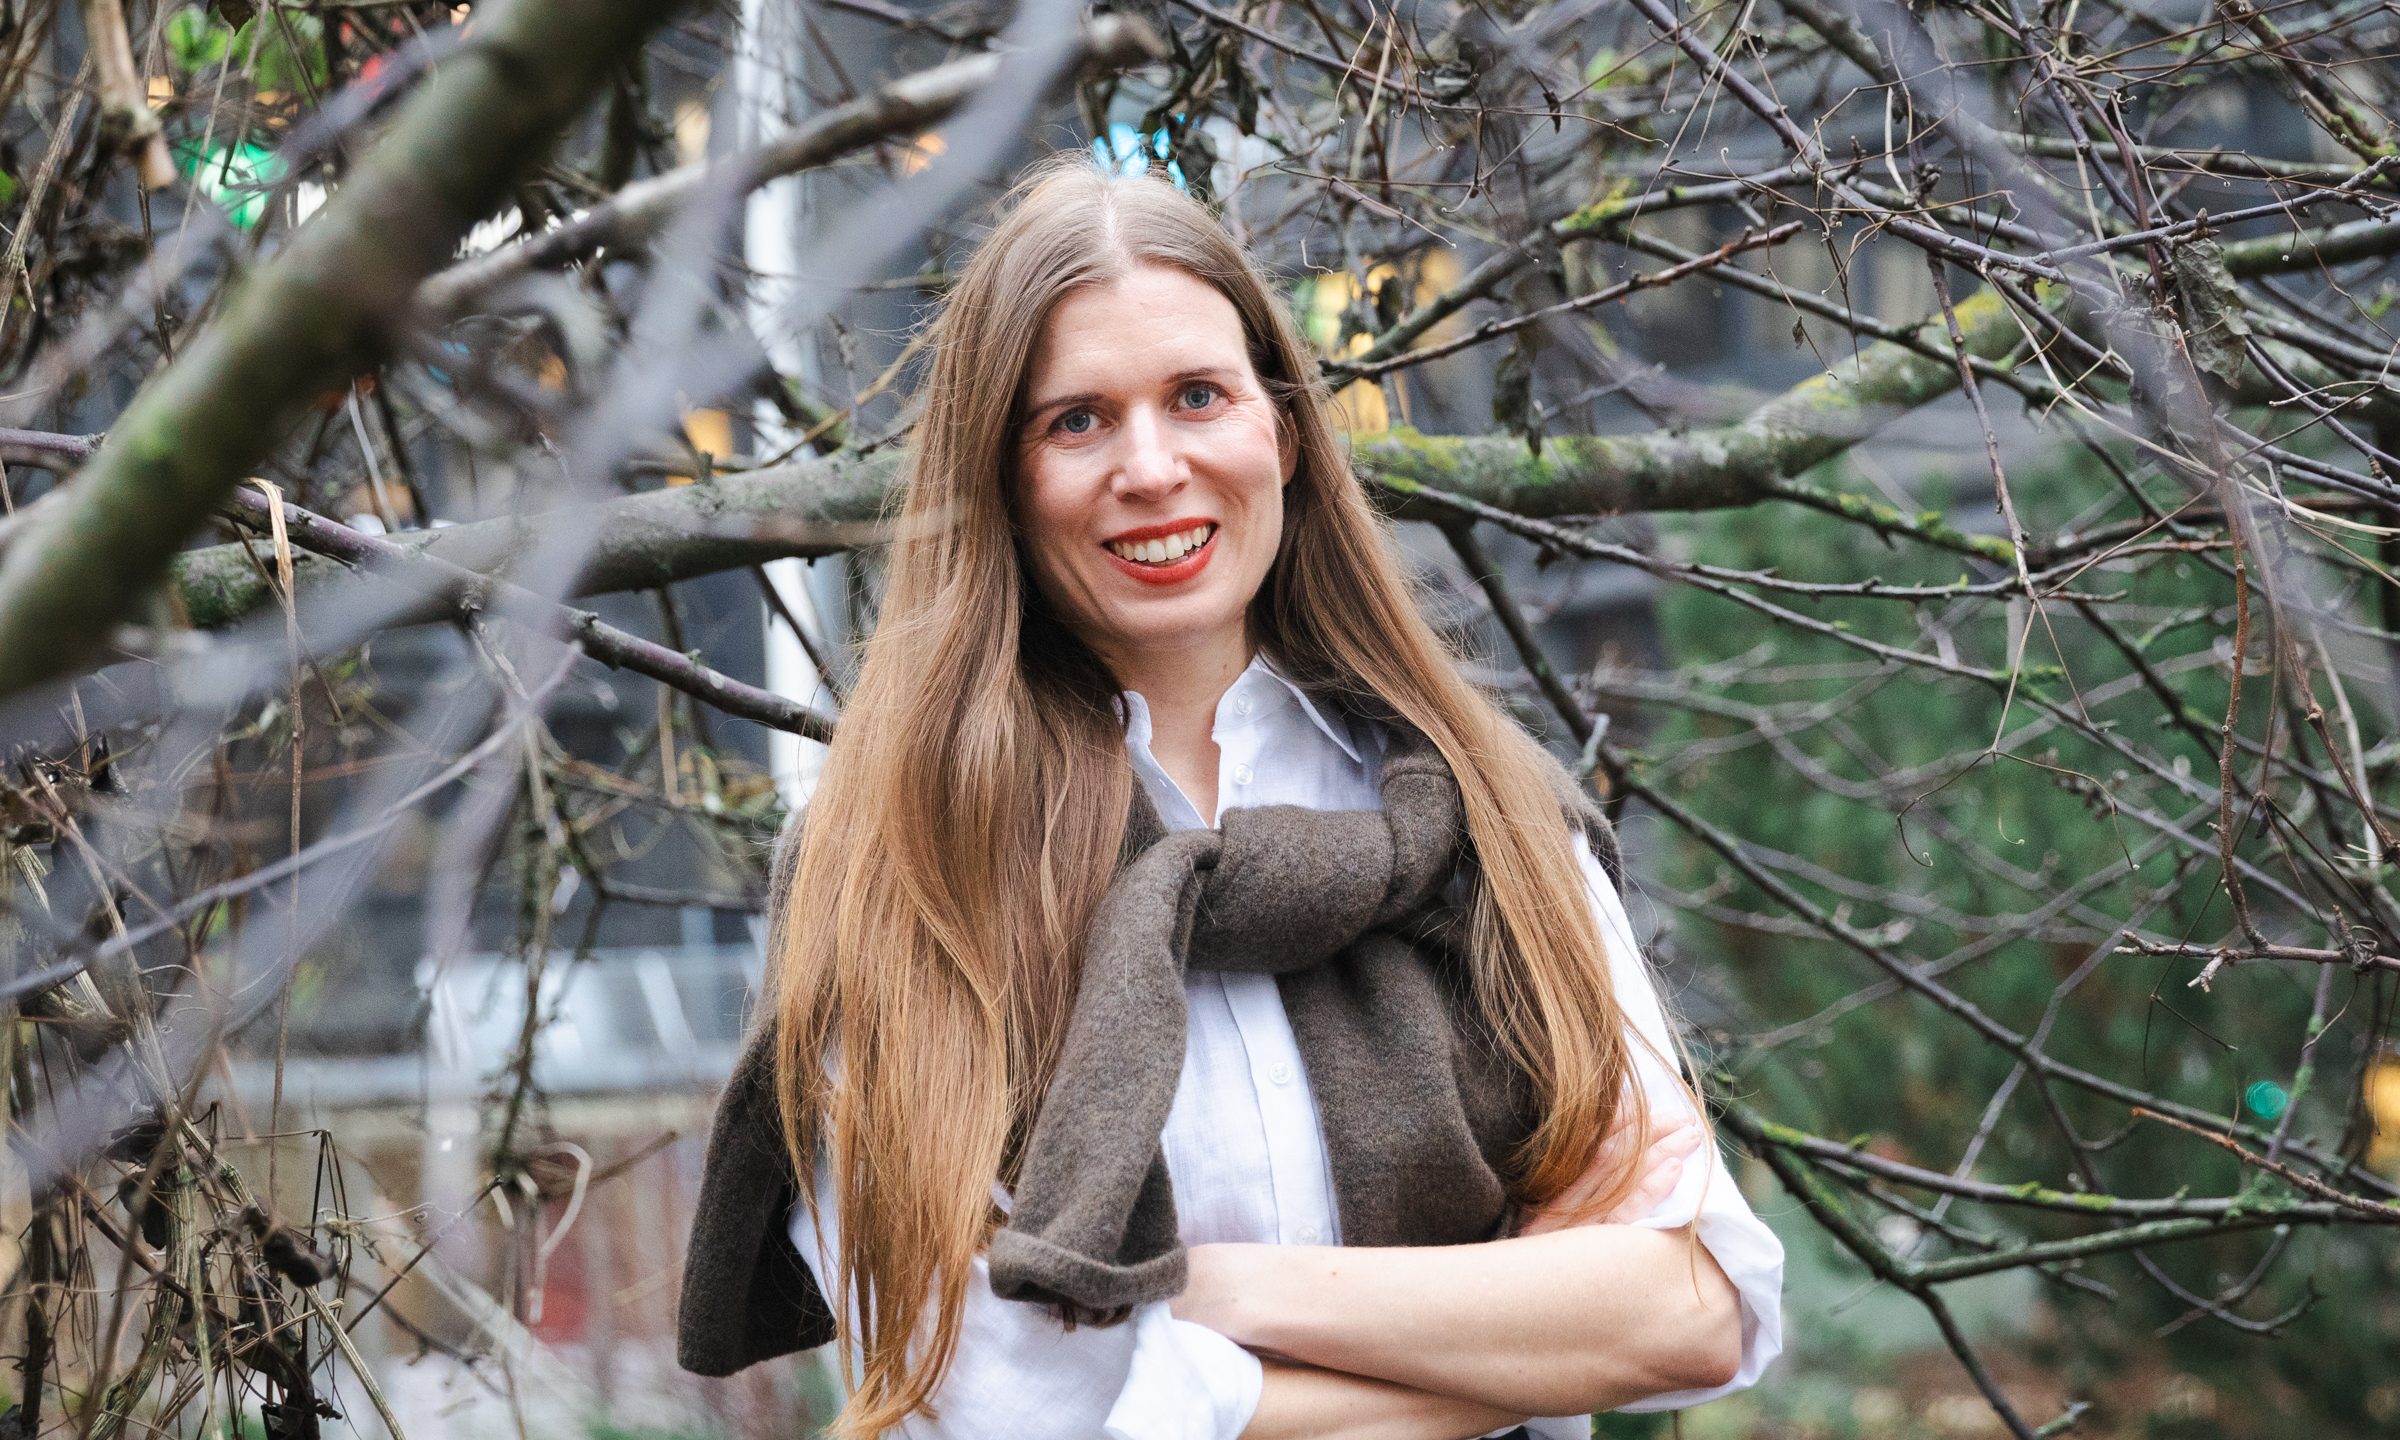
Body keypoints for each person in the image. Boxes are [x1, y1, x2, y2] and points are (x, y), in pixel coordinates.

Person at [677, 154, 1783, 1440]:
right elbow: (993, 1396)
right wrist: (1504, 1356)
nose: (1152, 467)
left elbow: (1698, 1309)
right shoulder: (902, 867)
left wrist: (1205, 1301)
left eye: (1198, 395)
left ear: (1284, 431)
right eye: (1076, 421)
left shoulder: (1492, 820)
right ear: (1001, 479)